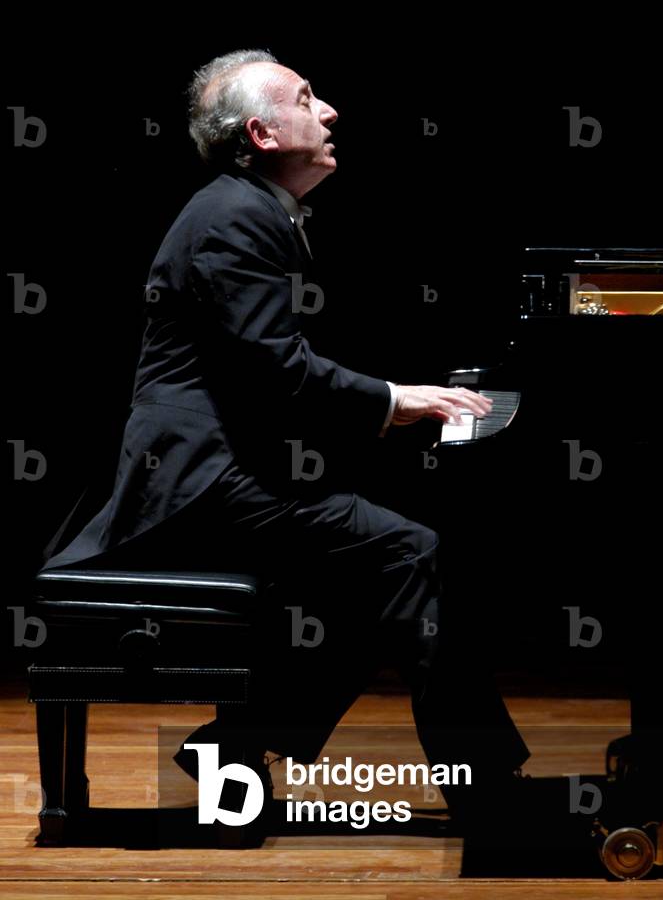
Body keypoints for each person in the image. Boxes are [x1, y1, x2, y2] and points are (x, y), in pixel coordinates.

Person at [39, 49, 530, 827]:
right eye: (308, 98)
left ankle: (238, 742)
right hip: (200, 485)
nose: (330, 111)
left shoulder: (249, 208)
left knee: (384, 568)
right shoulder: (237, 216)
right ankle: (490, 796)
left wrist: (393, 405)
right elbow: (275, 370)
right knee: (408, 552)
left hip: (216, 470)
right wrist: (400, 401)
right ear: (264, 134)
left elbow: (267, 373)